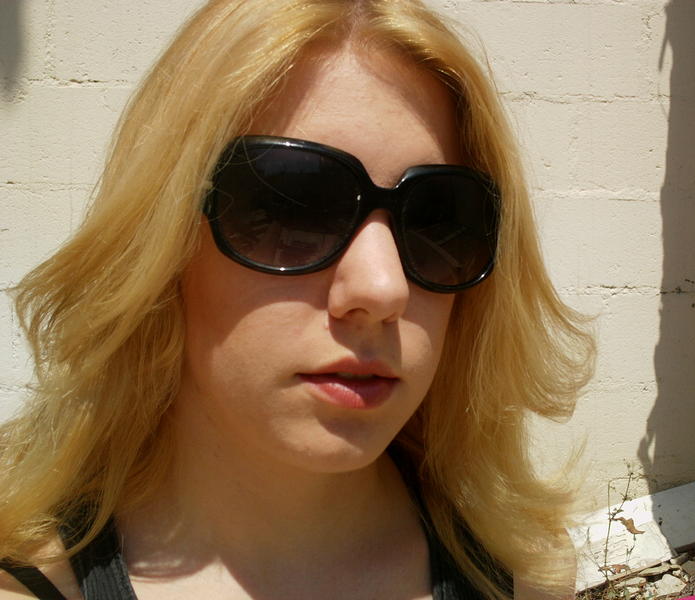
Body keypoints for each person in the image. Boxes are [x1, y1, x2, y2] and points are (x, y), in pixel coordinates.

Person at [0, 0, 594, 598]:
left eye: (438, 220)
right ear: (160, 243)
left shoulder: (526, 577)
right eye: (292, 208)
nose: (382, 288)